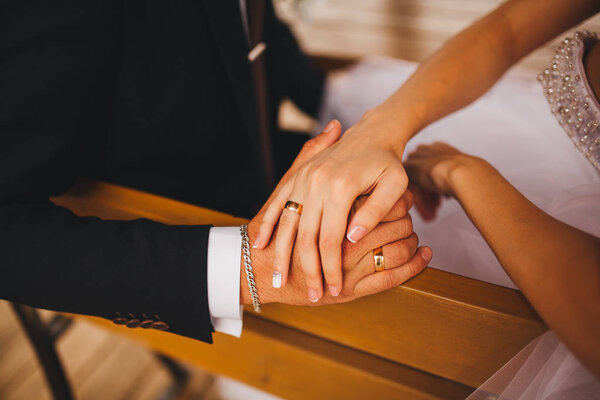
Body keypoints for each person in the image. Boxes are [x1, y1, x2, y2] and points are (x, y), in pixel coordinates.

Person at [0, 1, 429, 343]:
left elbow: (249, 32)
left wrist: (350, 131)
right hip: (178, 244)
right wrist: (250, 272)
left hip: (248, 157)